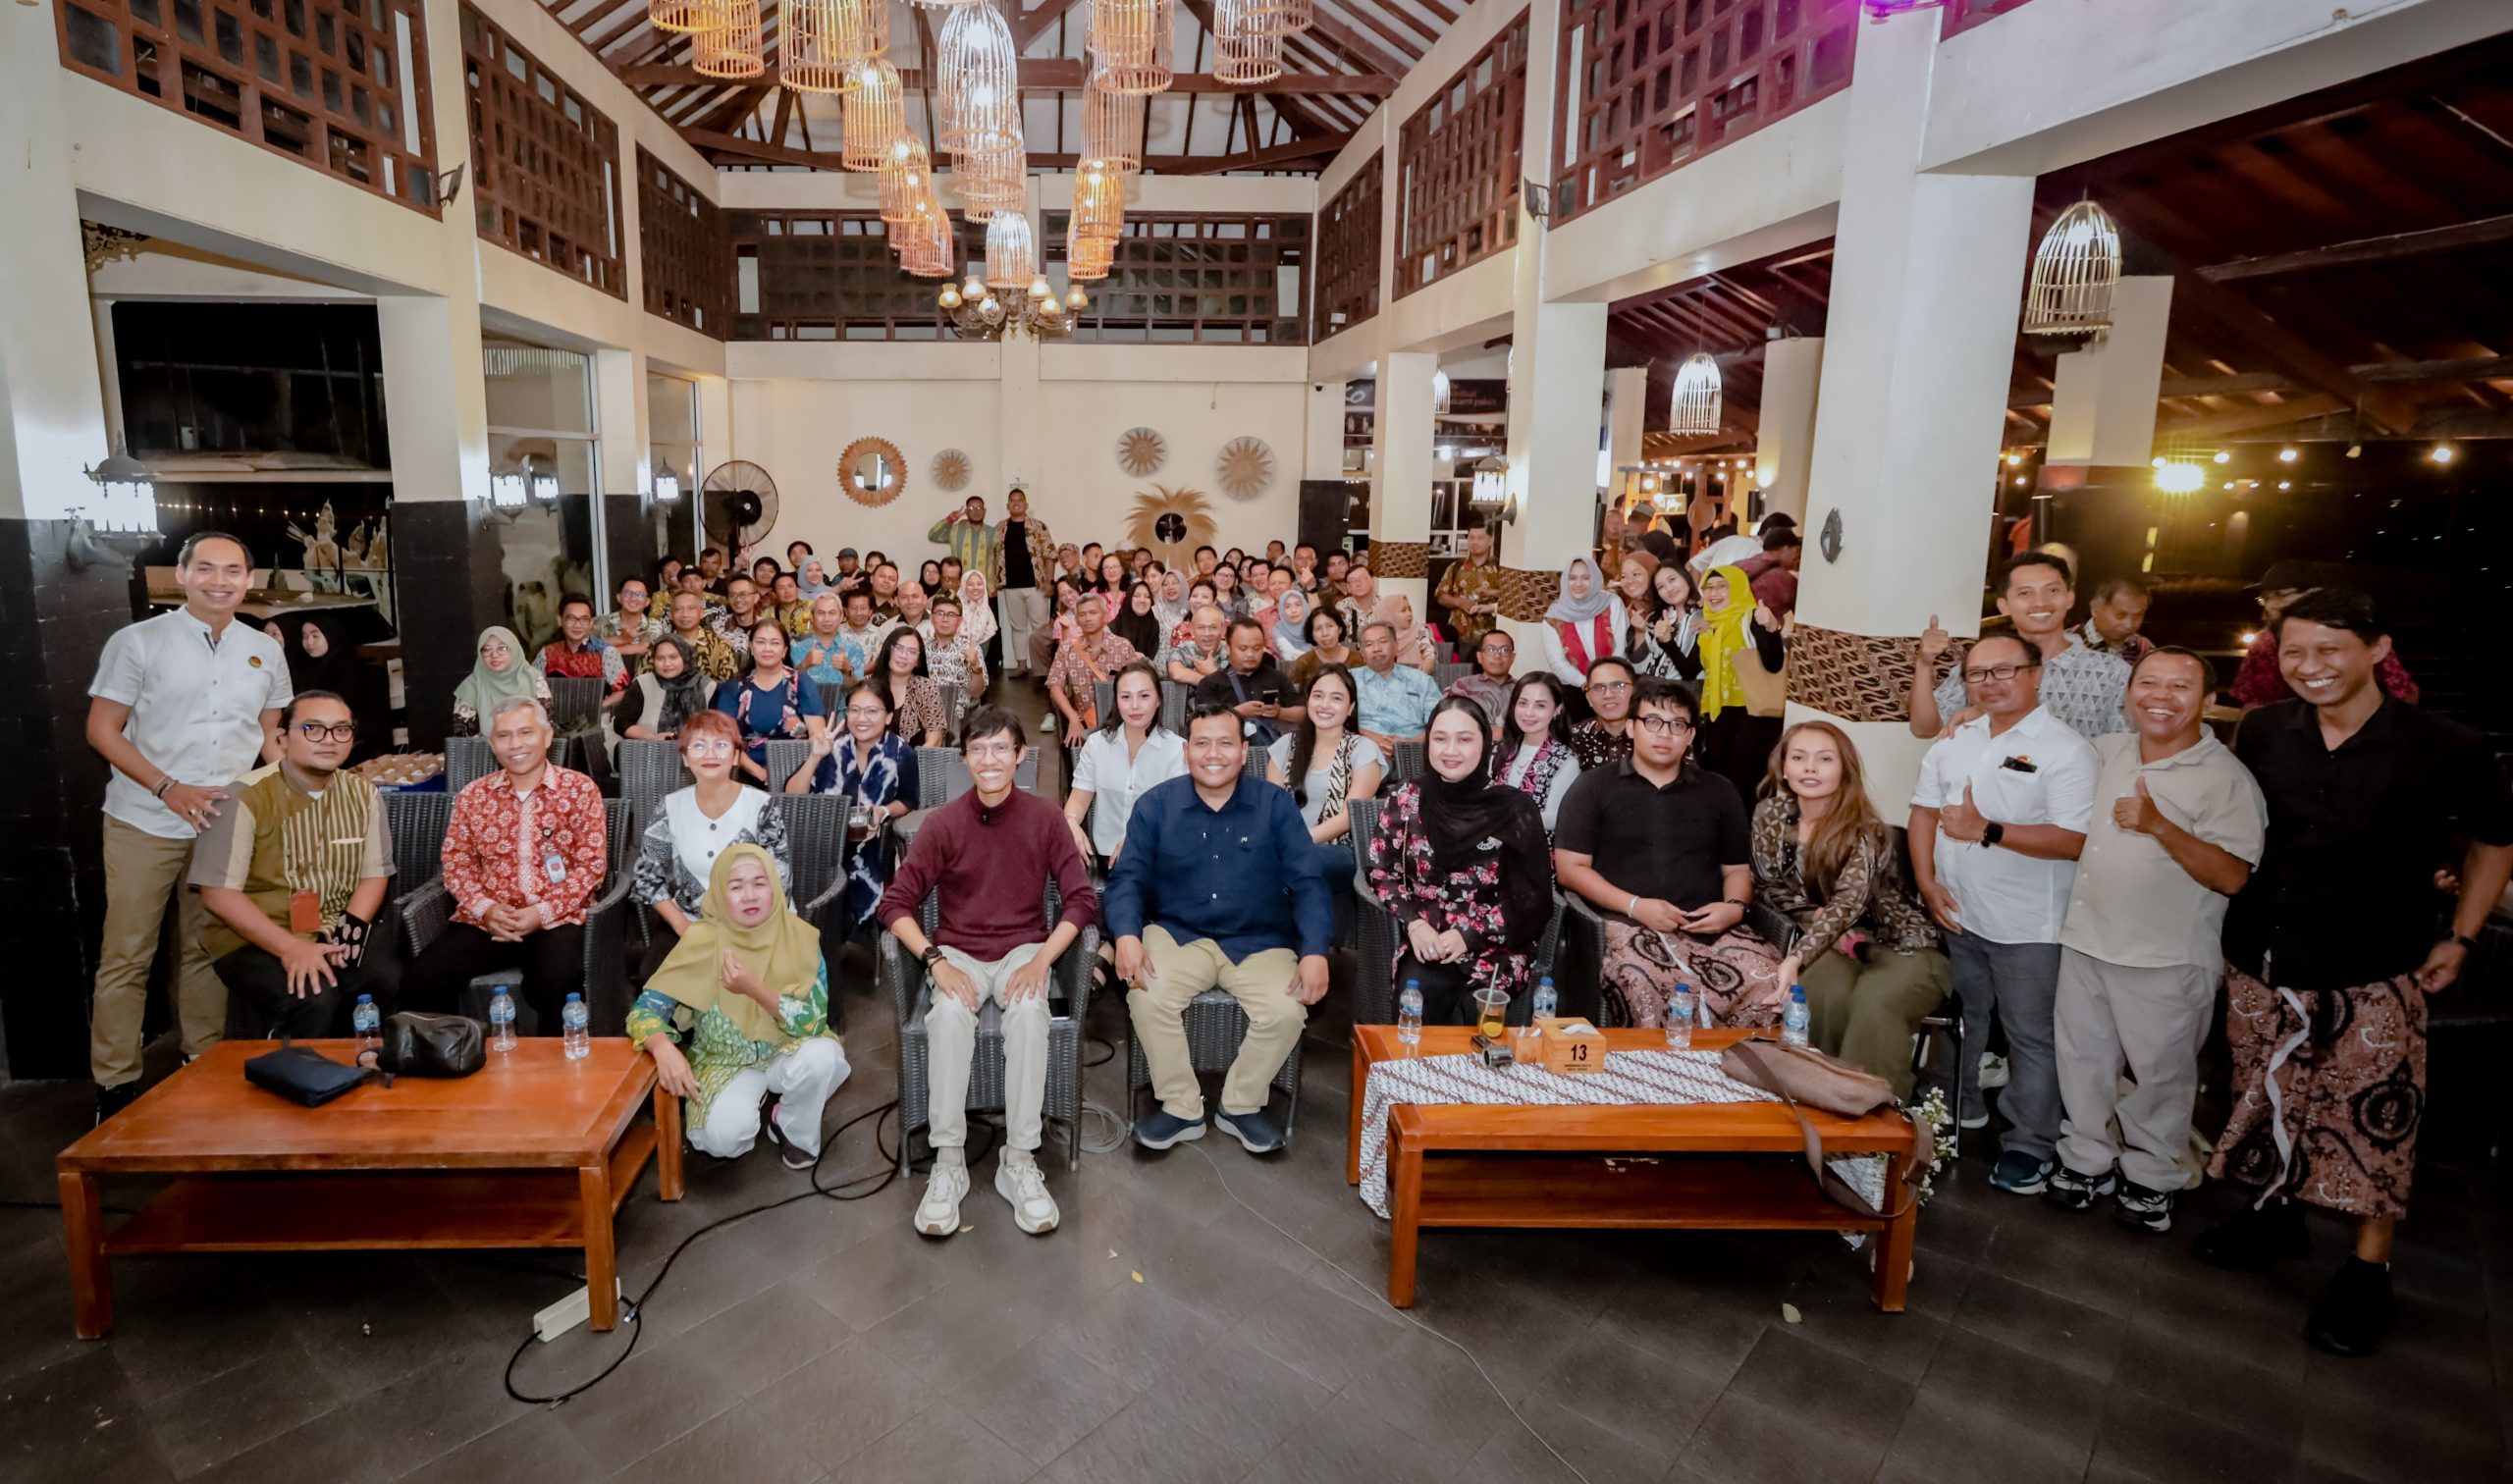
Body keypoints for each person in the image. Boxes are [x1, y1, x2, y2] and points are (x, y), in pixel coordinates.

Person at [2196, 590, 2511, 1355]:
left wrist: (2462, 937)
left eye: (2329, 649)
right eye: (2295, 653)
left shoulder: (2447, 745)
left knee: (2376, 1123)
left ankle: (2367, 1274)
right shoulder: (2267, 730)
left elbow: (2495, 845)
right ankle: (2276, 1219)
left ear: (2378, 648)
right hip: (2265, 956)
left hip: (2376, 964)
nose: (2311, 668)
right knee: (2268, 1097)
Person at [2045, 647, 2263, 1233]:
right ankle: (2085, 1159)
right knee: (2082, 1061)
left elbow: (2233, 876)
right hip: (2087, 938)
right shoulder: (2105, 750)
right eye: (2148, 683)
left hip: (2166, 956)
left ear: (2208, 703)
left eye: (2179, 686)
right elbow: (2037, 758)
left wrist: (2159, 825)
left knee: (2162, 1074)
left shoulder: (2226, 778)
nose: (2160, 696)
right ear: (2128, 693)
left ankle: (2152, 1177)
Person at [85, 531, 294, 1114]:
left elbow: (269, 741)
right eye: (206, 568)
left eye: (232, 571)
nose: (219, 581)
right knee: (127, 952)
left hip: (221, 825)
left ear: (248, 581)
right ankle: (116, 1082)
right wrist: (167, 787)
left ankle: (199, 1062)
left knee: (204, 948)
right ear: (180, 575)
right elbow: (101, 731)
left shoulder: (265, 650)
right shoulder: (137, 643)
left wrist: (296, 801)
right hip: (143, 820)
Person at [881, 708, 1096, 1235]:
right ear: (965, 759)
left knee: (1028, 1012)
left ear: (1020, 757)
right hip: (959, 952)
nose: (990, 759)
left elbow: (1082, 901)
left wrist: (1044, 959)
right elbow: (895, 904)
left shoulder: (1045, 818)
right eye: (979, 749)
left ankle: (1019, 1160)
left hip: (1025, 948)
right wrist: (933, 959)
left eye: (1002, 748)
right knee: (949, 1015)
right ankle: (949, 1162)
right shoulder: (943, 823)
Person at [1906, 634, 2098, 1192]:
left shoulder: (2066, 749)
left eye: (2004, 671)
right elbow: (1921, 811)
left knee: (2031, 1036)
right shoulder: (1956, 739)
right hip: (1957, 911)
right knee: (1967, 1020)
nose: (1990, 682)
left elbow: (2073, 840)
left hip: (2028, 926)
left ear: (2037, 675)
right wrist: (1925, 881)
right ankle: (1960, 1107)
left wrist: (1985, 830)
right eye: (1977, 673)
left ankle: (2030, 1142)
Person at [1106, 704, 1334, 1152]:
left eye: (1226, 743)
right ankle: (1180, 1106)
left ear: (1245, 750)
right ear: (1187, 750)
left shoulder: (1275, 805)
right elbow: (1127, 879)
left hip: (1259, 940)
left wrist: (1315, 951)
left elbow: (1308, 882)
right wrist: (1127, 937)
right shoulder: (1157, 805)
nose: (1214, 754)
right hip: (1177, 934)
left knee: (1287, 1010)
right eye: (1202, 743)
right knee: (1146, 993)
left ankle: (1241, 1103)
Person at [1555, 679, 1785, 1028]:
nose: (1665, 734)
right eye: (1653, 722)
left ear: (1691, 735)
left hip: (1710, 928)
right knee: (1649, 985)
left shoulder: (1718, 791)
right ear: (1631, 728)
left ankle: (1738, 1078)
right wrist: (1636, 906)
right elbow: (1570, 869)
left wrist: (1734, 909)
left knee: (1770, 984)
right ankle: (1656, 1080)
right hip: (1626, 926)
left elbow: (1736, 870)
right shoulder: (1593, 787)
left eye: (1678, 725)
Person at [1751, 720, 1949, 1098]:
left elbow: (1849, 902)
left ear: (1844, 768)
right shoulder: (1770, 815)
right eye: (1799, 757)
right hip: (1835, 942)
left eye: (1824, 759)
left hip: (1905, 946)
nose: (1810, 768)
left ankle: (1873, 1121)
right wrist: (1818, 921)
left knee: (1874, 1003)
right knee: (1821, 993)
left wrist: (1796, 957)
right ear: (1783, 767)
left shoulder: (1866, 829)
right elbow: (1768, 886)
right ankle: (1818, 1104)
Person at [190, 690, 394, 1041]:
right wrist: (292, 948)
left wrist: (347, 938)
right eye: (312, 728)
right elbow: (218, 894)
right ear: (282, 739)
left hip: (332, 926)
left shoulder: (364, 794)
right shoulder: (242, 798)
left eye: (341, 730)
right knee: (314, 998)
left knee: (385, 981)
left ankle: (357, 1075)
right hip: (254, 936)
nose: (329, 741)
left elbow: (373, 875)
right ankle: (289, 1076)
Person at [632, 846, 850, 1169]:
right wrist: (662, 1047)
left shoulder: (801, 939)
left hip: (786, 1050)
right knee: (721, 1140)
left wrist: (755, 989)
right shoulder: (701, 941)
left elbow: (814, 1022)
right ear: (720, 894)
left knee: (823, 1058)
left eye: (760, 883)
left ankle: (789, 1124)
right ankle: (747, 1100)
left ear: (776, 888)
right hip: (725, 1061)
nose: (750, 895)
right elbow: (644, 1012)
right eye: (735, 886)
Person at [402, 698, 608, 1032]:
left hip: (555, 917)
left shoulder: (579, 790)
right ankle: (451, 1061)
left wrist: (539, 914)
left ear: (547, 736)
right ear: (491, 744)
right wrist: (486, 909)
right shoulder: (474, 796)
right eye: (504, 735)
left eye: (526, 732)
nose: (515, 744)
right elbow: (456, 863)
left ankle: (550, 1076)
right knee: (422, 979)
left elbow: (591, 867)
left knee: (558, 983)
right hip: (487, 919)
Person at [1366, 697, 1555, 1024]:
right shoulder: (1407, 797)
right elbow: (1382, 870)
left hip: (1497, 942)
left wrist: (1468, 935)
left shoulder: (1514, 808)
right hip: (1428, 938)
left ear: (1485, 744)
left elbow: (1532, 899)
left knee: (1484, 1009)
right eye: (1440, 738)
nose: (1450, 750)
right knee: (1419, 996)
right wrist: (1414, 922)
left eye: (1464, 739)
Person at [629, 712, 790, 979]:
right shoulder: (670, 807)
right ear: (685, 757)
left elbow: (779, 878)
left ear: (737, 756)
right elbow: (647, 878)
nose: (710, 754)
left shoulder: (761, 806)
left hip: (754, 923)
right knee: (654, 978)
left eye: (721, 745)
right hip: (690, 919)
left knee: (743, 984)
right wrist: (682, 926)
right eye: (699, 746)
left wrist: (741, 932)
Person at [1910, 553, 2129, 741]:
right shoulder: (1981, 665)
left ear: (2069, 598)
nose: (2040, 602)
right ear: (2004, 605)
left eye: (2052, 591)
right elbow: (1923, 729)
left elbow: (2123, 750)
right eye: (2025, 593)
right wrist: (1924, 663)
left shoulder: (2112, 672)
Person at [790, 679, 920, 929]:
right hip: (822, 842)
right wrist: (816, 756)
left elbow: (908, 801)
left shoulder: (901, 753)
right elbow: (794, 795)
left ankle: (860, 936)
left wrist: (883, 811)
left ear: (888, 716)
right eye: (855, 710)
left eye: (872, 711)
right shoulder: (833, 746)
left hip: (871, 846)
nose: (862, 718)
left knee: (869, 872)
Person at [2227, 566, 2419, 709]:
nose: (2271, 606)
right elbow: (2254, 701)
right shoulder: (2265, 641)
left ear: (2315, 594)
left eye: (2281, 595)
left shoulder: (2354, 631)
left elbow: (2405, 694)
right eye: (2266, 598)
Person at [1266, 666, 1383, 885]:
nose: (1325, 705)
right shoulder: (1285, 746)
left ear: (1351, 708)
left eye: (1336, 698)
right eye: (1318, 696)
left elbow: (1349, 816)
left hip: (1340, 850)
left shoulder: (1363, 750)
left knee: (1292, 861)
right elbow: (1274, 808)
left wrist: (1299, 841)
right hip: (1286, 845)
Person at [1065, 662, 1187, 874]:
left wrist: (1138, 838)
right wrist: (1071, 822)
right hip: (1109, 860)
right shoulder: (1097, 744)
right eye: (1126, 697)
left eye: (1144, 696)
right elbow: (1077, 800)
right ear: (1117, 702)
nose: (1135, 706)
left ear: (1158, 700)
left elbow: (1175, 815)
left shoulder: (1177, 749)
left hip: (1158, 858)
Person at [1693, 564, 1789, 799]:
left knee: (1744, 786)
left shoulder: (1752, 618)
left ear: (1737, 588)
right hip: (1719, 716)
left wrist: (1771, 629)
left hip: (1753, 718)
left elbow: (1774, 664)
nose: (1714, 593)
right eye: (1709, 588)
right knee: (1719, 781)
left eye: (1722, 587)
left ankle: (1745, 834)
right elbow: (1693, 669)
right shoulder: (1710, 627)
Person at [712, 619, 827, 782]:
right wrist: (759, 772)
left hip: (798, 772)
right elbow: (723, 739)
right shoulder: (734, 687)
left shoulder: (801, 682)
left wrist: (799, 773)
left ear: (785, 650)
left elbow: (817, 734)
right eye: (760, 642)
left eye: (774, 643)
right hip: (747, 772)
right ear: (751, 647)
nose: (767, 648)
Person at [283, 612, 385, 766]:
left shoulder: (349, 670)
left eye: (315, 636)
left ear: (331, 636)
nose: (309, 642)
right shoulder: (304, 668)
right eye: (304, 636)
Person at [1046, 584, 1142, 737]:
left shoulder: (1122, 646)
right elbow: (1055, 687)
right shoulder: (1067, 648)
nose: (1087, 618)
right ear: (1076, 620)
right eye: (1082, 614)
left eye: (1093, 613)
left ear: (1105, 616)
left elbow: (1138, 686)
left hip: (1121, 722)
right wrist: (1073, 717)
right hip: (1084, 722)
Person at [1492, 673, 1582, 832]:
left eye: (1540, 705)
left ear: (1557, 710)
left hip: (1536, 851)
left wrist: (1501, 814)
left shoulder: (1564, 760)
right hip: (1494, 849)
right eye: (1523, 703)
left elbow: (1553, 818)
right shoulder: (1501, 749)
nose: (1528, 713)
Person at [1351, 619, 1445, 752]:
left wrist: (1409, 744)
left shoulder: (1421, 680)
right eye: (1369, 644)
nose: (1377, 648)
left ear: (1396, 647)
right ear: (1362, 653)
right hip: (1362, 751)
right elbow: (1339, 722)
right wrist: (1373, 740)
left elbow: (1441, 722)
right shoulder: (1349, 680)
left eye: (1383, 642)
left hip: (1414, 753)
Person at [990, 488, 1054, 677]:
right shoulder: (1000, 528)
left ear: (1026, 505)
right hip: (1010, 587)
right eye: (1012, 500)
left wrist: (1050, 582)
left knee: (1040, 628)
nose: (1016, 503)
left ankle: (1043, 668)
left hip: (1036, 586)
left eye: (1020, 500)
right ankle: (1021, 666)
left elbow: (1050, 555)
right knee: (1017, 627)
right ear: (1008, 505)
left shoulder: (1038, 526)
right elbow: (993, 556)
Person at [1542, 555, 1627, 693]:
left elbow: (1621, 646)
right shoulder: (1553, 618)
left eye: (1586, 578)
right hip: (1576, 691)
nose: (1578, 583)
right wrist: (1586, 684)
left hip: (1614, 685)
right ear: (1565, 580)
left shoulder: (1612, 603)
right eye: (1572, 578)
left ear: (1595, 578)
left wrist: (1607, 681)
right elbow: (1557, 662)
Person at [451, 625, 553, 737]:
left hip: (529, 748)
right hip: (485, 752)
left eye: (502, 648)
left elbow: (545, 724)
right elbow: (464, 737)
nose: (494, 655)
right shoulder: (470, 686)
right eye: (486, 649)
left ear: (514, 649)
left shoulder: (533, 679)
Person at [615, 634, 716, 744]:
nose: (667, 664)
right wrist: (651, 737)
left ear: (685, 657)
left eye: (673, 657)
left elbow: (718, 729)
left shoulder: (707, 686)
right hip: (648, 754)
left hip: (697, 755)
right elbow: (622, 723)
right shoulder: (643, 684)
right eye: (660, 658)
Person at [1434, 525, 1508, 657]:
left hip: (1491, 637)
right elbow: (1440, 595)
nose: (1474, 542)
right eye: (1471, 538)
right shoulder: (1455, 567)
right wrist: (1459, 602)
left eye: (1480, 538)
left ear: (1490, 540)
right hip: (1459, 635)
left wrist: (1491, 593)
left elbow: (1511, 599)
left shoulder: (1501, 569)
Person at [872, 627, 950, 747]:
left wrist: (913, 761)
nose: (903, 656)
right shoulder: (870, 687)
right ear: (888, 650)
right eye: (898, 648)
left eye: (912, 652)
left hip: (915, 760)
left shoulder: (926, 688)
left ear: (918, 661)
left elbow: (935, 735)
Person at [1632, 562, 1706, 683]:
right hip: (1649, 691)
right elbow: (1637, 667)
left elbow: (1690, 672)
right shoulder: (1656, 619)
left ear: (1686, 578)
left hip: (1684, 695)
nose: (1669, 589)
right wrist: (1639, 633)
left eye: (1672, 579)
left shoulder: (1704, 618)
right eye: (1661, 587)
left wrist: (1668, 642)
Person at [541, 595, 628, 692]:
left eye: (584, 619)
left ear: (591, 623)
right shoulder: (548, 652)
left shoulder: (607, 652)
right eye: (571, 618)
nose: (577, 625)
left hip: (598, 706)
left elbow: (622, 692)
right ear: (560, 621)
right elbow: (532, 685)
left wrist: (599, 706)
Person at [1568, 655, 1637, 769]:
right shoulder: (1574, 737)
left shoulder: (1652, 734)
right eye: (1598, 688)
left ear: (1635, 691)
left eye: (1618, 685)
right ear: (1589, 698)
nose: (1608, 695)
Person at [1445, 628, 1518, 733]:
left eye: (1504, 650)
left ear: (1512, 657)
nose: (1497, 656)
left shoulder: (1522, 689)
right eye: (1490, 650)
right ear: (1479, 657)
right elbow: (1449, 722)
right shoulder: (1463, 686)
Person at [658, 590, 740, 681]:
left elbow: (731, 685)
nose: (685, 614)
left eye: (691, 608)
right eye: (678, 609)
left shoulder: (719, 645)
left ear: (701, 613)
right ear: (670, 615)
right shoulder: (658, 646)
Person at [924, 595, 990, 699]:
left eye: (952, 615)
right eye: (940, 613)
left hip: (961, 712)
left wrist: (976, 666)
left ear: (960, 620)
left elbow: (977, 694)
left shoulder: (971, 649)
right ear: (931, 618)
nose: (945, 619)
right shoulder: (921, 648)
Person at [2077, 576, 2153, 665]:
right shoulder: (2067, 643)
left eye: (2137, 616)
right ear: (2095, 609)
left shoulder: (2144, 647)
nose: (2129, 624)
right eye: (2121, 615)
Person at [1285, 605, 1356, 693]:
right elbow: (1290, 697)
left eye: (1330, 626)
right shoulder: (1304, 663)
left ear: (1340, 629)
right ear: (1312, 635)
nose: (1325, 633)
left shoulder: (1357, 659)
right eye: (1318, 629)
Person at [1735, 528, 1803, 619]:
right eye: (1795, 551)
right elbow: (1803, 616)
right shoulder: (1787, 581)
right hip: (1758, 630)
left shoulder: (1737, 565)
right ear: (1785, 548)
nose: (1796, 557)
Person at [597, 577, 664, 667]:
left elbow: (642, 649)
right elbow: (585, 650)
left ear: (647, 602)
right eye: (628, 593)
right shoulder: (599, 622)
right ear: (619, 597)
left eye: (639, 595)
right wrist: (622, 639)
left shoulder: (654, 625)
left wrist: (601, 649)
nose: (633, 598)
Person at [1159, 606, 1229, 688]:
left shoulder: (1231, 652)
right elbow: (1176, 673)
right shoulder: (1184, 649)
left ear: (1223, 629)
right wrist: (1214, 679)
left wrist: (1212, 671)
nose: (1207, 633)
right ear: (1192, 630)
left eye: (1213, 627)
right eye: (1201, 628)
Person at [708, 576, 765, 663]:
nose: (738, 599)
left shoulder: (767, 627)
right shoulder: (715, 629)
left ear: (756, 598)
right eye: (733, 595)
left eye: (743, 594)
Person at [1114, 580, 1165, 661]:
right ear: (1129, 598)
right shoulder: (1111, 629)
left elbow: (1161, 666)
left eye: (1147, 596)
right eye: (1136, 596)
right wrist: (1129, 655)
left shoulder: (1158, 628)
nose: (1142, 600)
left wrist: (1144, 660)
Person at [1269, 587, 1314, 663]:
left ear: (1305, 606)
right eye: (1287, 607)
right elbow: (1290, 655)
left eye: (1298, 605)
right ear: (1282, 610)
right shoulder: (1279, 629)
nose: (1293, 610)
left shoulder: (1314, 624)